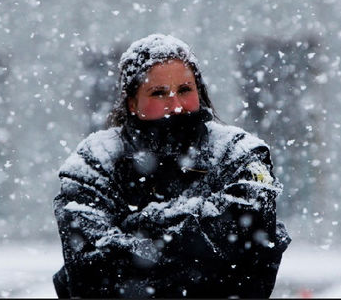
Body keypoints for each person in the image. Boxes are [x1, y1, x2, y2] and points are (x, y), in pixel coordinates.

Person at [52, 34, 291, 298]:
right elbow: (89, 271)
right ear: (132, 102)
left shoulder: (240, 152)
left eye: (185, 90)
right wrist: (202, 246)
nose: (176, 105)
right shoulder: (94, 160)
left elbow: (251, 246)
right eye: (159, 93)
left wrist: (138, 226)